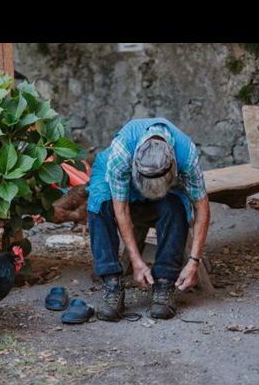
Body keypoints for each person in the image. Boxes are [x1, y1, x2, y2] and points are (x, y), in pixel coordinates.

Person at [86, 118, 210, 322]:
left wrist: (194, 261)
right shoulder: (121, 154)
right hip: (116, 183)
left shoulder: (186, 154)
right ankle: (112, 285)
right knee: (99, 204)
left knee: (176, 207)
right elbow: (122, 208)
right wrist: (136, 261)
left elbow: (202, 206)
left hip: (167, 192)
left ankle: (164, 282)